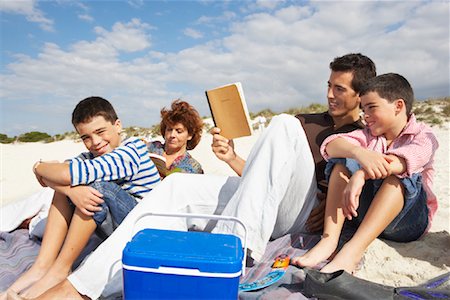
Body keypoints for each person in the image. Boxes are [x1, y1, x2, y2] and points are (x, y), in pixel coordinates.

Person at [40, 53, 377, 299]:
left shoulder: (365, 133)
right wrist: (231, 157)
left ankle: (232, 246)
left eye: (341, 89)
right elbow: (262, 183)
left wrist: (328, 208)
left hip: (305, 213)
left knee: (283, 123)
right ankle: (80, 287)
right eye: (329, 85)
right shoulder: (308, 120)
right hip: (262, 209)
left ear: (361, 95)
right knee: (177, 185)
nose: (331, 94)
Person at [4, 97, 161, 299]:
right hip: (118, 228)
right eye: (86, 137)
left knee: (94, 187)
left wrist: (38, 167)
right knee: (69, 188)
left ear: (118, 125)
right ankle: (42, 267)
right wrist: (69, 190)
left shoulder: (132, 150)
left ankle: (60, 269)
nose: (95, 142)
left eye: (100, 132)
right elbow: (55, 175)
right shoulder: (91, 157)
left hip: (145, 228)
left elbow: (64, 174)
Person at [291, 73, 439, 274]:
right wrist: (358, 153)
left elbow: (404, 161)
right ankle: (329, 240)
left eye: (372, 107)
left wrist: (361, 175)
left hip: (408, 222)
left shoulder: (424, 135)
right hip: (366, 216)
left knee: (402, 176)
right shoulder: (368, 135)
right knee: (341, 162)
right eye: (363, 109)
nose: (365, 116)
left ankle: (352, 251)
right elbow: (331, 145)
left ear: (398, 106)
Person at [147, 99, 204, 177]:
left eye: (179, 131)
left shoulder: (193, 168)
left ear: (190, 135)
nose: (172, 135)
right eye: (169, 130)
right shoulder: (151, 148)